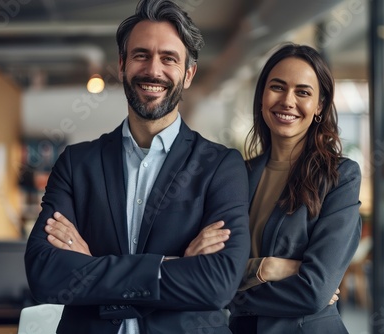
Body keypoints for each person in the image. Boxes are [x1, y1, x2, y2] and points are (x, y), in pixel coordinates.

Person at [24, 0, 251, 333]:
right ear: (122, 65)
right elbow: (44, 273)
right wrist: (167, 269)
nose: (153, 70)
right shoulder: (77, 163)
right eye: (141, 55)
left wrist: (93, 268)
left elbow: (219, 283)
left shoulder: (221, 167)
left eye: (169, 58)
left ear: (188, 74)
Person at [225, 43, 362, 333]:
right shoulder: (236, 173)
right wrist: (267, 268)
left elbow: (315, 290)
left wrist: (234, 293)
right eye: (278, 87)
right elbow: (210, 269)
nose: (288, 101)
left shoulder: (339, 177)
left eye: (303, 92)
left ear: (320, 106)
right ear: (262, 96)